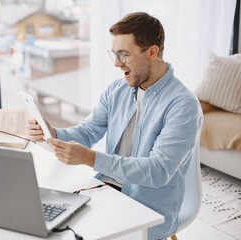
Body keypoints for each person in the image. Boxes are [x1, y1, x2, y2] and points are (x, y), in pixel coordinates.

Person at [26, 12, 203, 240]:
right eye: (115, 54)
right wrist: (52, 133)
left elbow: (158, 171)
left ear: (152, 52)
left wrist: (90, 159)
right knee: (48, 224)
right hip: (107, 190)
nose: (117, 64)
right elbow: (88, 131)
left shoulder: (183, 105)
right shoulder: (117, 90)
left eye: (124, 55)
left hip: (148, 208)